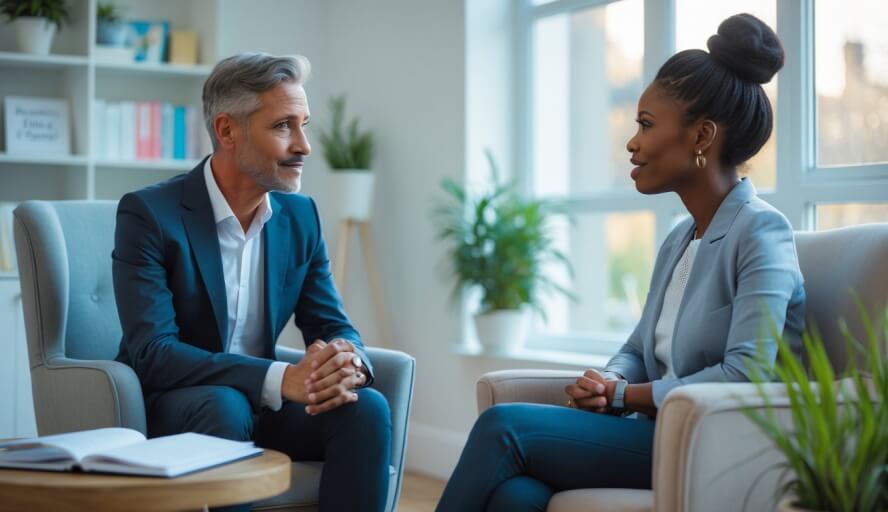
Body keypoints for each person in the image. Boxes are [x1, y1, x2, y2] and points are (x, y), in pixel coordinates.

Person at [436, 13, 805, 512]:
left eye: (647, 125)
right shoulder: (680, 239)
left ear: (702, 137)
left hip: (719, 446)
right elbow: (635, 348)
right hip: (658, 434)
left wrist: (621, 397)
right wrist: (609, 379)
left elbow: (747, 374)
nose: (631, 142)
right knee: (516, 495)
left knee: (503, 427)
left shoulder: (761, 231)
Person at [112, 53, 392, 512]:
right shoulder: (149, 214)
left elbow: (331, 324)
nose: (304, 146)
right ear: (227, 131)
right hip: (183, 405)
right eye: (284, 126)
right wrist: (282, 379)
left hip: (267, 406)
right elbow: (153, 353)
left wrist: (349, 362)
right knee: (226, 406)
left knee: (365, 408)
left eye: (305, 125)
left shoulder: (301, 216)